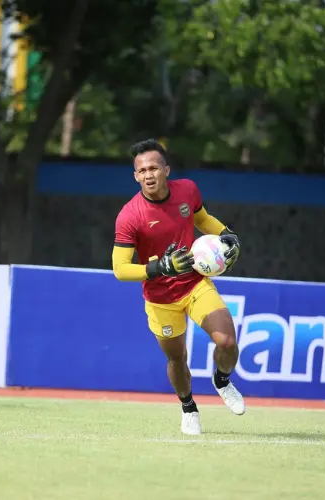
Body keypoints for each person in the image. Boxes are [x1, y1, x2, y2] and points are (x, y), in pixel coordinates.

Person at [112, 138, 245, 436]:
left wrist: (226, 233)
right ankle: (189, 408)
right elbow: (120, 268)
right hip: (160, 298)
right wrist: (160, 267)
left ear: (166, 170)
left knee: (227, 341)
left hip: (194, 284)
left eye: (154, 168)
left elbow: (202, 219)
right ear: (135, 176)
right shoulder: (130, 216)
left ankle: (222, 381)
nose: (148, 175)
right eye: (142, 170)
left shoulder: (187, 190)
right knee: (176, 358)